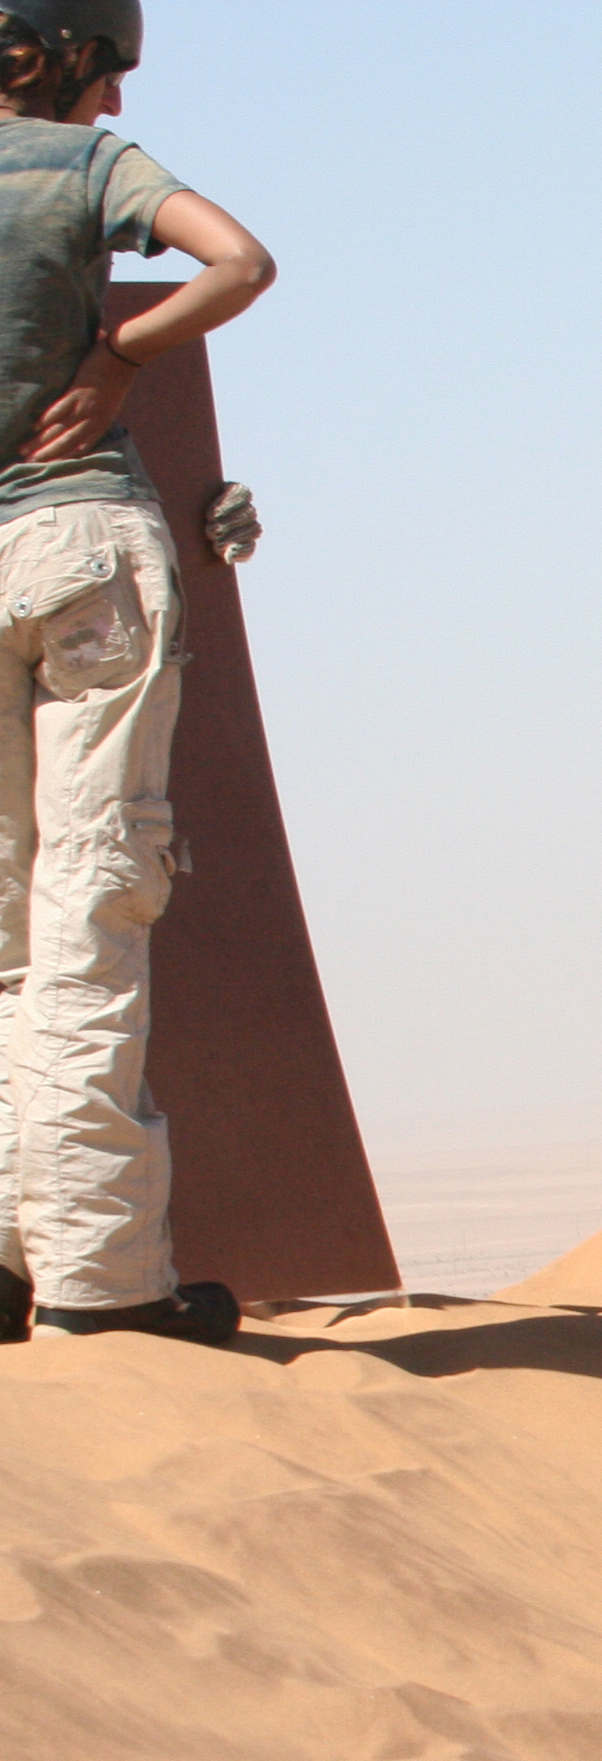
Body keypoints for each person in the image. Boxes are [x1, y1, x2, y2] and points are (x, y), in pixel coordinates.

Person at [0, 0, 274, 1348]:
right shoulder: (89, 168)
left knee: (1, 922)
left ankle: (6, 1263)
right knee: (92, 904)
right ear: (49, 58)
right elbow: (239, 262)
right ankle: (102, 1284)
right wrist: (119, 360)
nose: (113, 101)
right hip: (79, 546)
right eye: (107, 68)